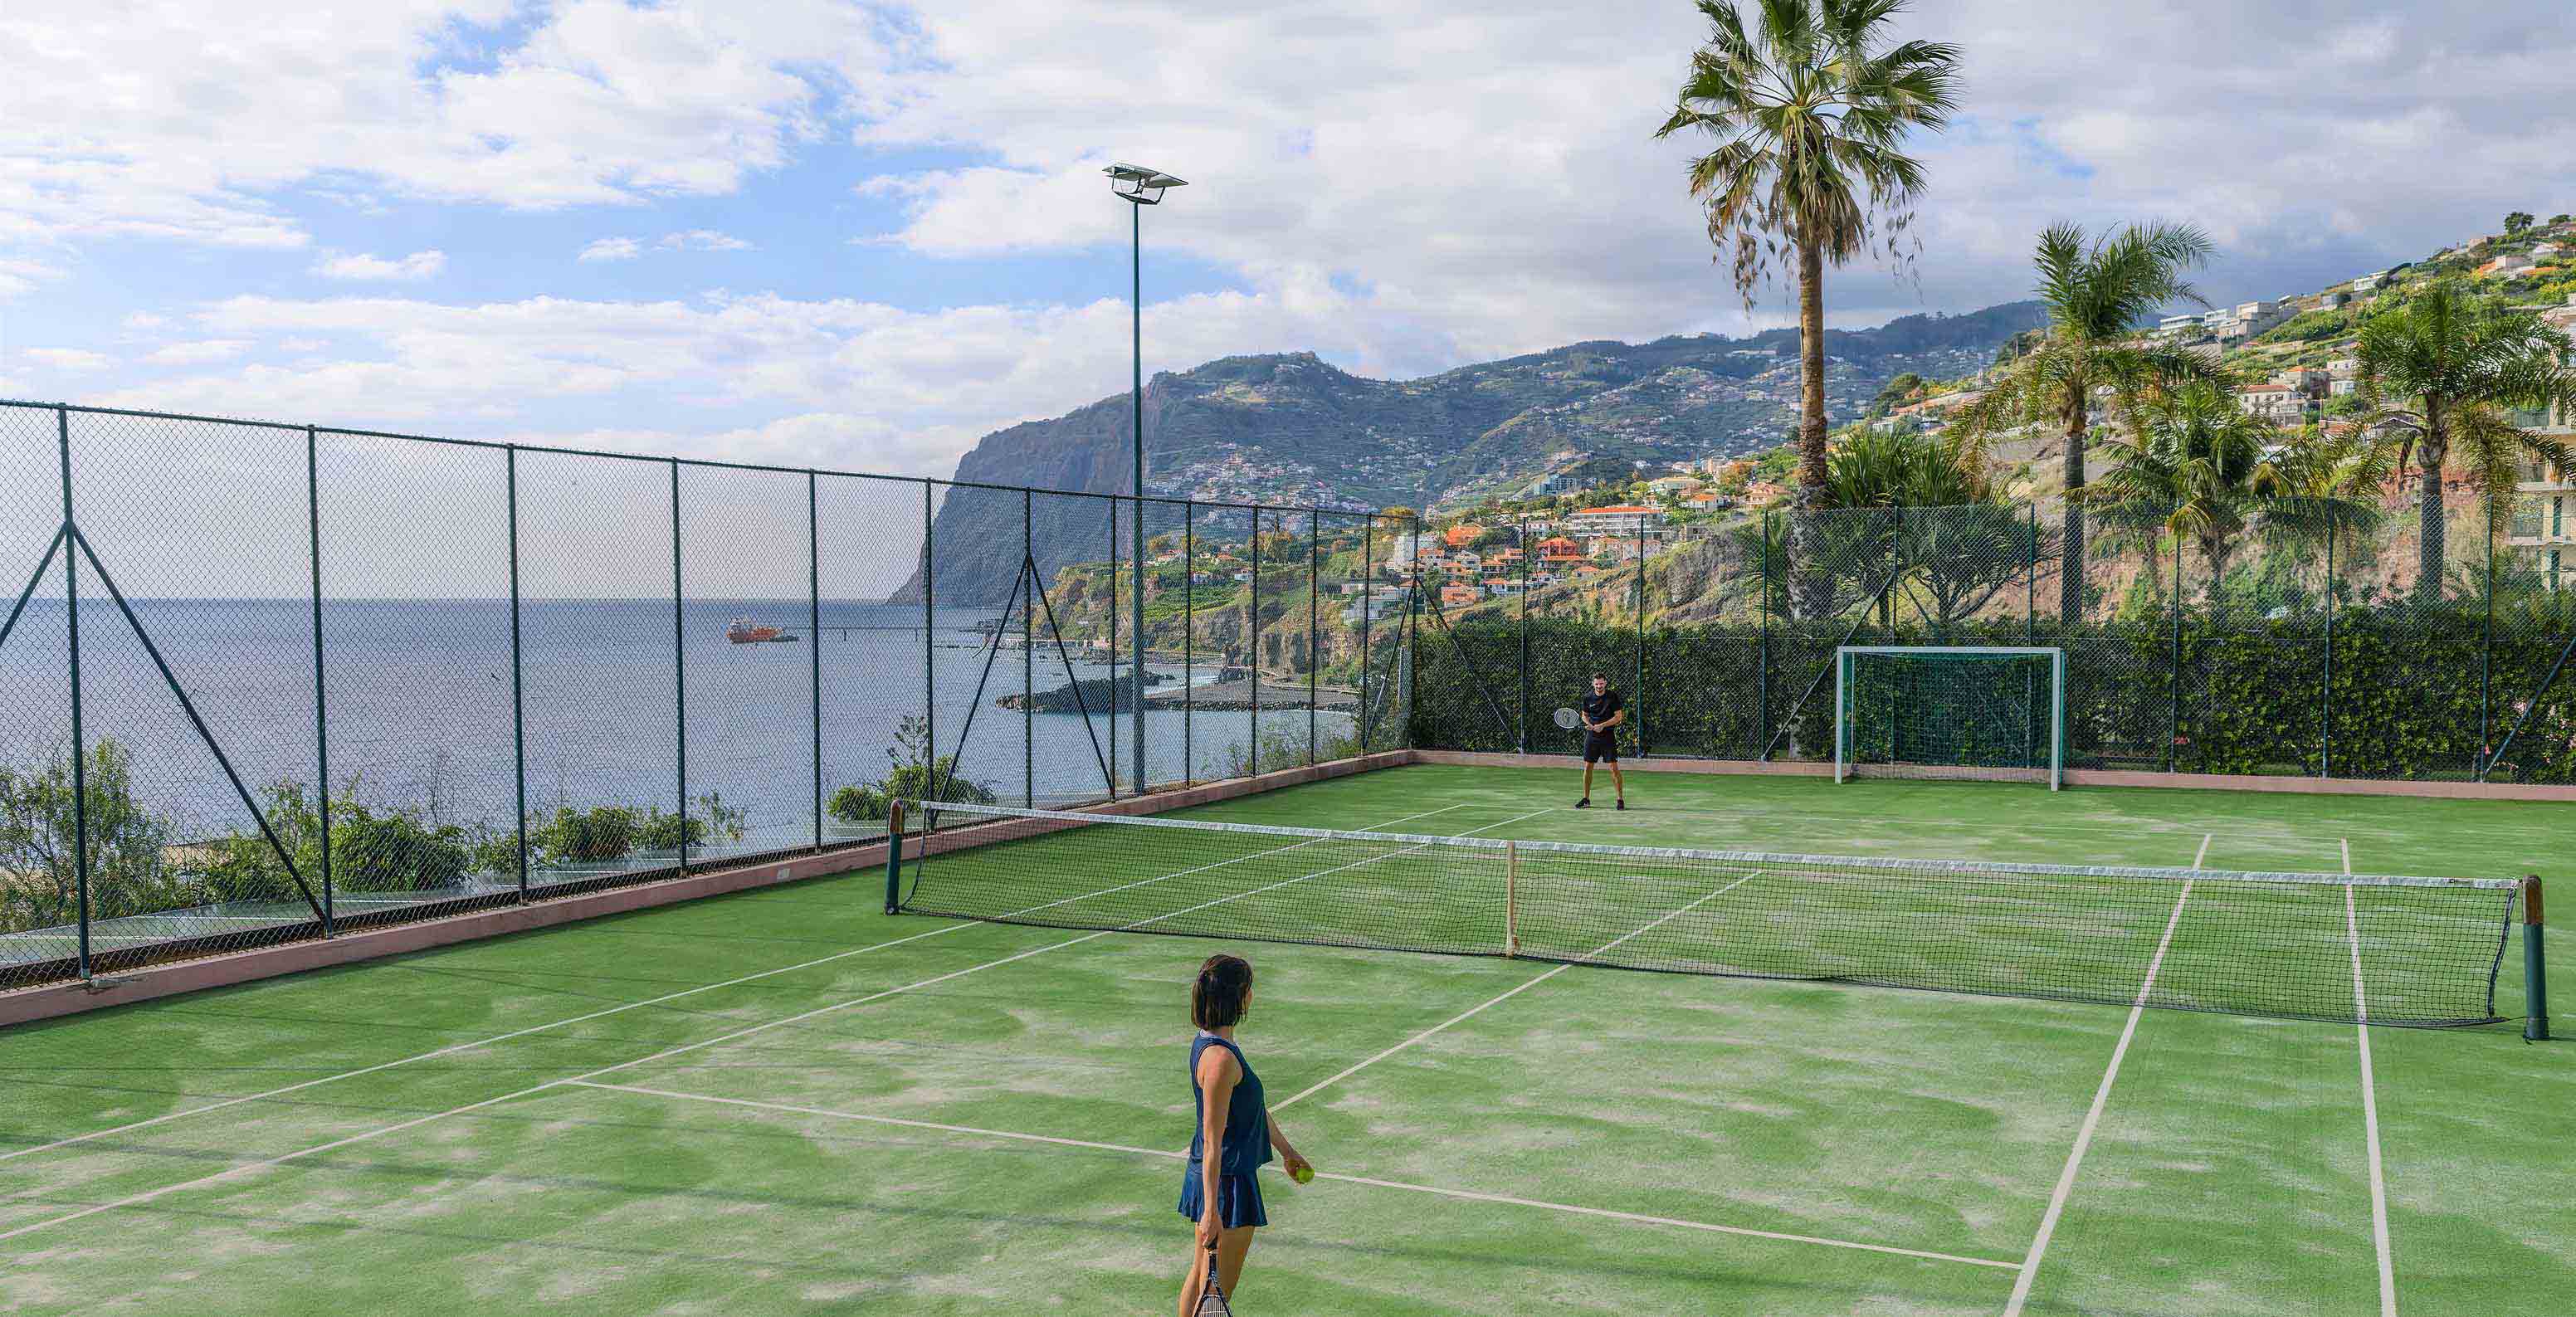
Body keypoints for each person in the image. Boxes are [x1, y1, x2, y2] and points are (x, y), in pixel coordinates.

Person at [1178, 954, 1312, 1315]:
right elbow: (1213, 1141)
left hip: (1222, 1178)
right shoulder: (1221, 1062)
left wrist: (1286, 1151)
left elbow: (1250, 1109)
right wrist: (1211, 1211)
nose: (1252, 994)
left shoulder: (1213, 1044)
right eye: (1249, 988)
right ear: (1239, 998)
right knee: (1215, 1291)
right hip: (1226, 1185)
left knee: (1201, 1280)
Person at [1576, 673, 1625, 810]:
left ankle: (1620, 800)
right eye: (1597, 684)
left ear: (1605, 683)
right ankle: (1586, 799)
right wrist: (1589, 724)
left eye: (1601, 683)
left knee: (1613, 768)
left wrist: (1602, 725)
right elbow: (1584, 715)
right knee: (1588, 767)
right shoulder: (1587, 697)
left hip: (1608, 737)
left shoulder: (1612, 697)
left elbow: (1618, 717)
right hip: (1592, 737)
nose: (1599, 686)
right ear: (1593, 684)